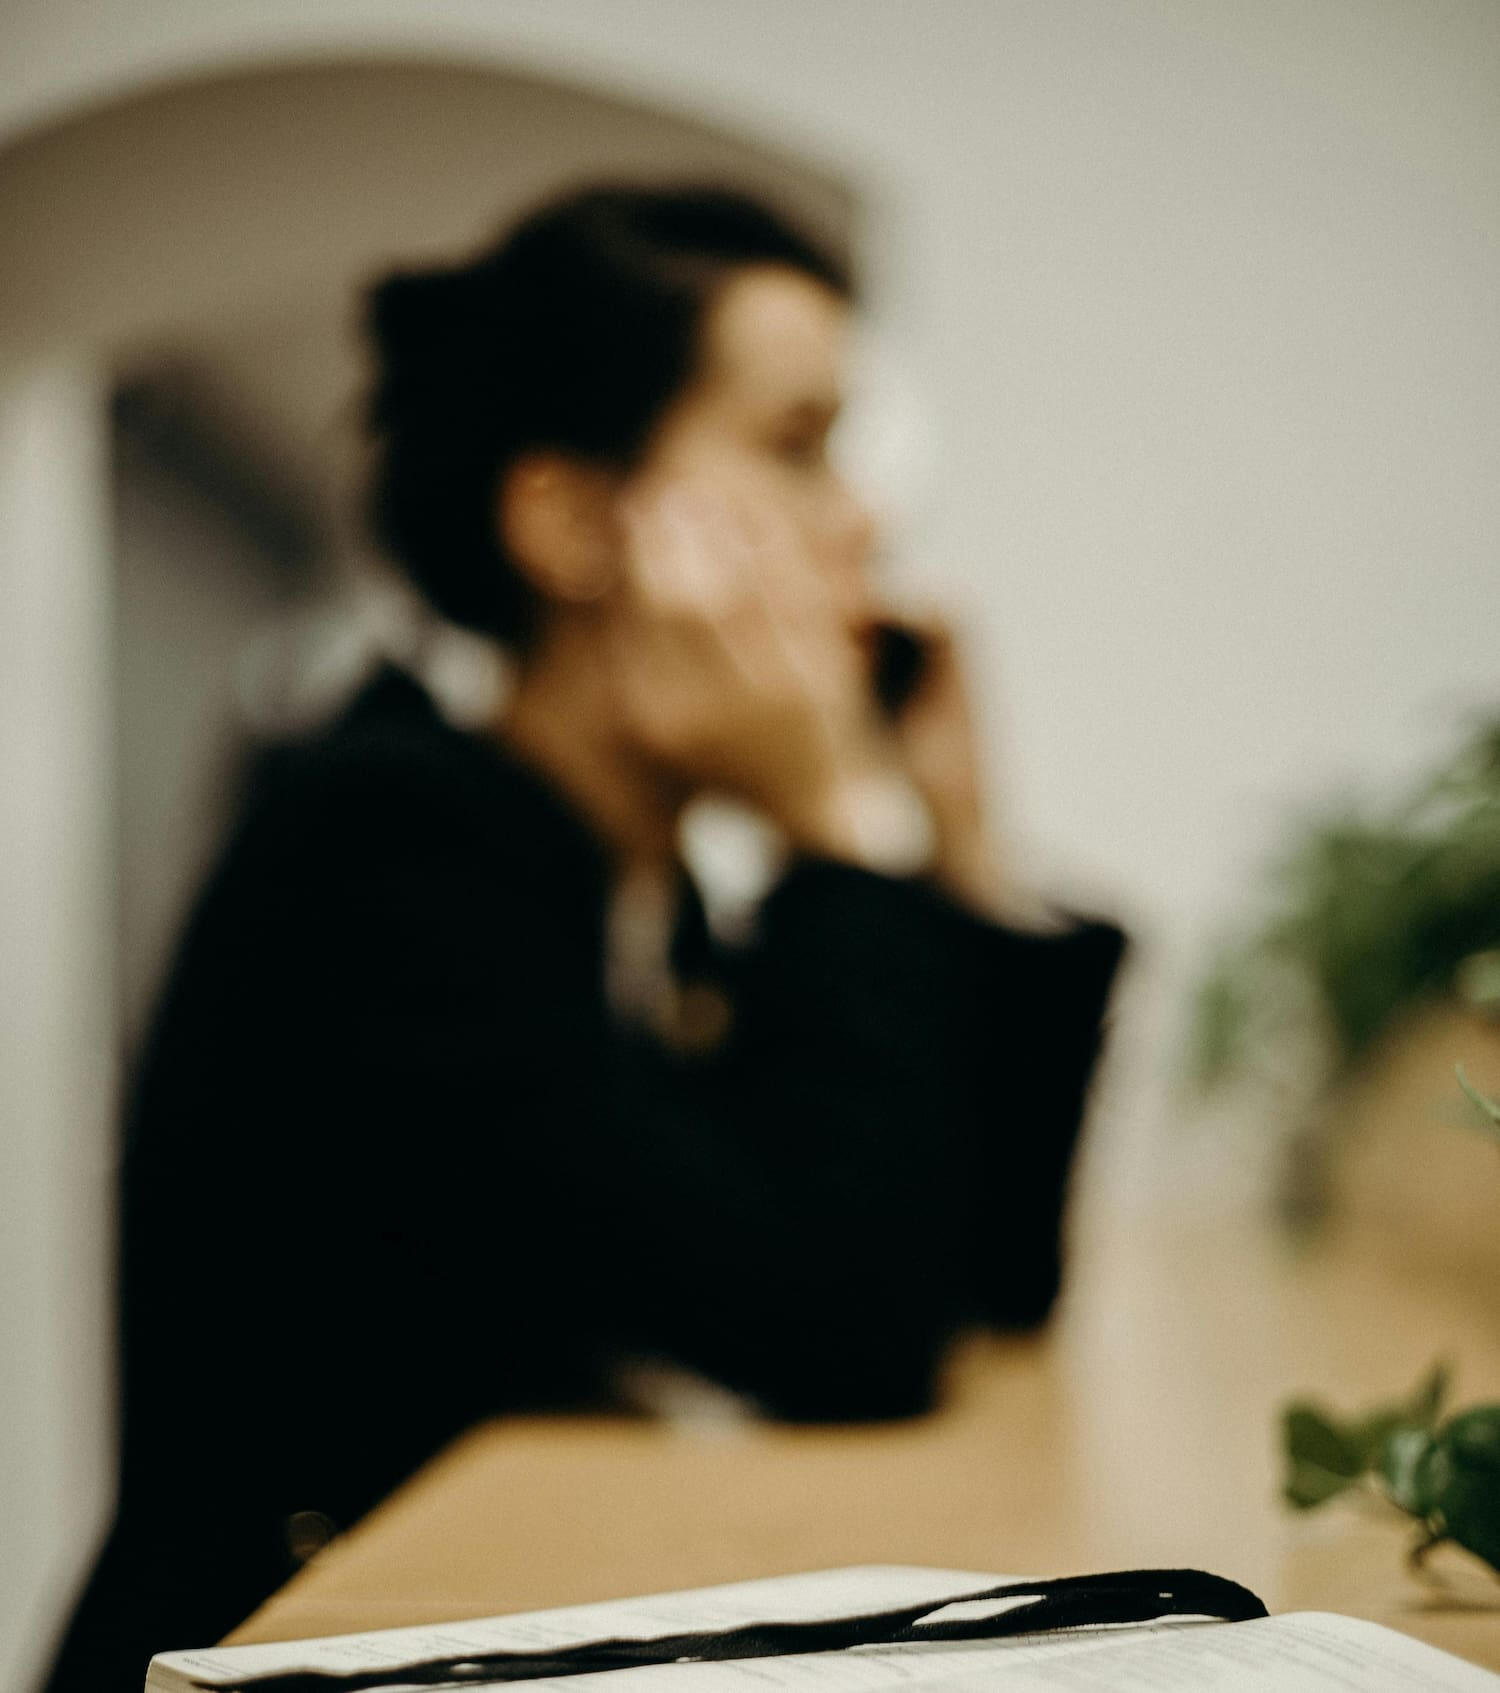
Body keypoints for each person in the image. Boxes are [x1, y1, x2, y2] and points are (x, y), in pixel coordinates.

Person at [41, 184, 1125, 1692]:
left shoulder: (627, 883)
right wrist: (839, 829)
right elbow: (846, 1334)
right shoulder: (388, 845)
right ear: (566, 522)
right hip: (271, 1657)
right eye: (799, 446)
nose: (865, 523)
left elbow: (979, 1278)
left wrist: (960, 861)